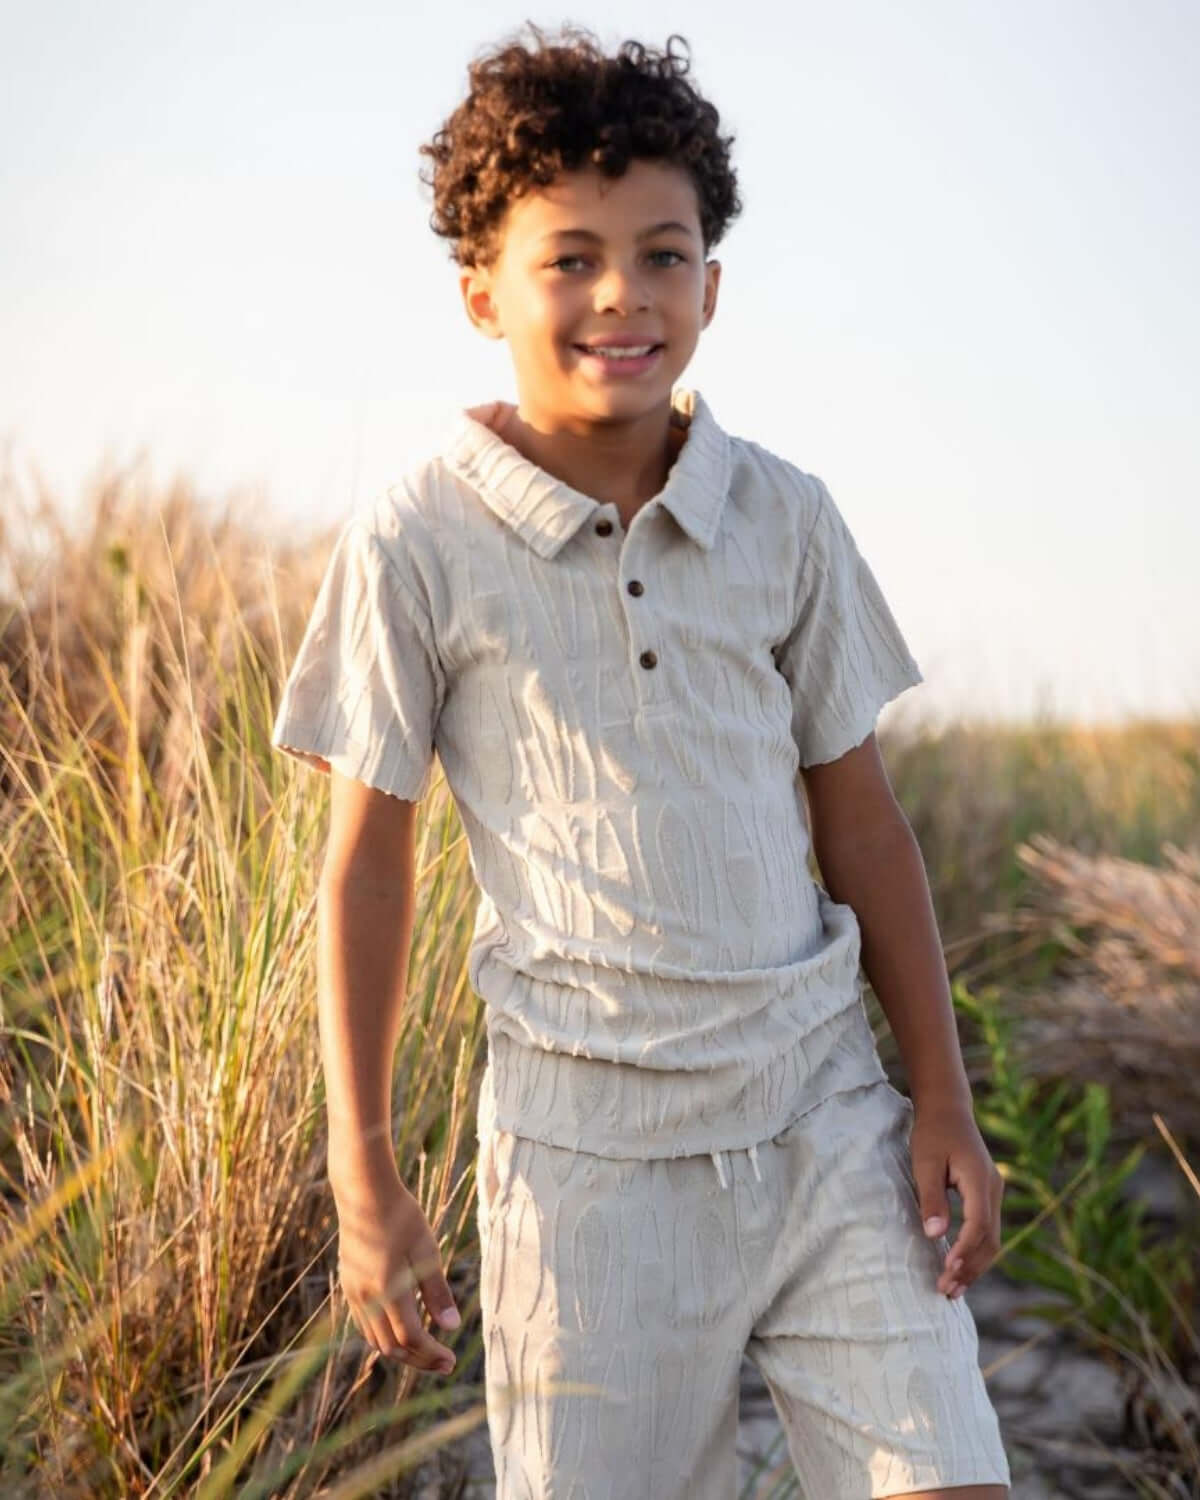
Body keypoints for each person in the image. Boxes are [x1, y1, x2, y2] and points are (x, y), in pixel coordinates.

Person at [270, 21, 1012, 1499]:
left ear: (714, 286)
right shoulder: (417, 537)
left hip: (823, 1124)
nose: (624, 294)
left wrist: (941, 1096)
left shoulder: (785, 517)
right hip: (583, 1166)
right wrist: (365, 1174)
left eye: (664, 254)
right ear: (482, 290)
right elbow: (367, 863)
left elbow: (862, 825)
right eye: (571, 258)